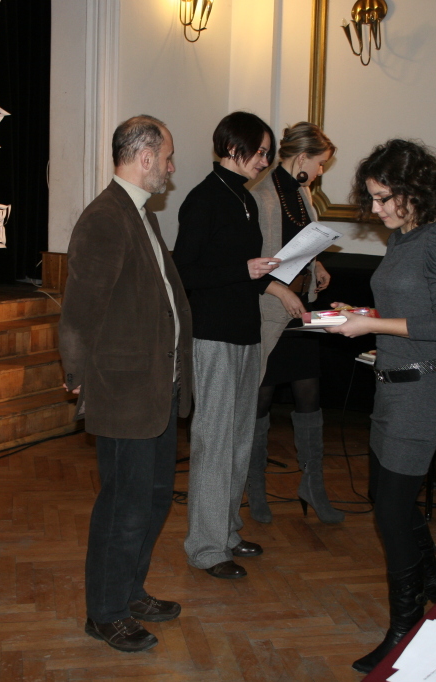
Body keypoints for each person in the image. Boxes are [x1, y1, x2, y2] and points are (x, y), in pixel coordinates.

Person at [327, 139, 436, 673]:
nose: (376, 208)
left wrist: (370, 325)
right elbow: (407, 308)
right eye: (372, 197)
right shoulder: (403, 239)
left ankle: (404, 629)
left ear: (416, 191)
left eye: (384, 198)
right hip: (390, 389)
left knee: (390, 512)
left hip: (421, 394)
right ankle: (433, 585)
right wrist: (361, 313)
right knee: (388, 500)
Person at [59, 115, 193, 653]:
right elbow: (79, 310)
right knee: (123, 506)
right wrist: (78, 377)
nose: (171, 167)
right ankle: (105, 612)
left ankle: (130, 590)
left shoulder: (141, 214)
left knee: (154, 499)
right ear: (145, 156)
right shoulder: (105, 218)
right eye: (167, 156)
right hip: (124, 391)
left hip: (156, 387)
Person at [173, 111, 280, 580]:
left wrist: (270, 279)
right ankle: (205, 547)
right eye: (261, 152)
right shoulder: (203, 199)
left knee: (238, 440)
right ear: (234, 147)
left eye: (268, 154)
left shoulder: (245, 199)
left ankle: (227, 531)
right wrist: (244, 270)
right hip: (212, 335)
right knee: (214, 442)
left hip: (245, 332)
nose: (265, 161)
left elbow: (242, 270)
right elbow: (184, 273)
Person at [246, 121, 343, 524]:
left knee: (309, 392)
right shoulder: (262, 195)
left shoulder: (303, 193)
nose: (320, 171)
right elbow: (254, 259)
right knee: (262, 398)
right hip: (271, 311)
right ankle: (254, 486)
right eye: (320, 163)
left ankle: (312, 485)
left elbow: (298, 244)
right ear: (302, 157)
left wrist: (316, 265)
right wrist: (282, 289)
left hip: (301, 310)